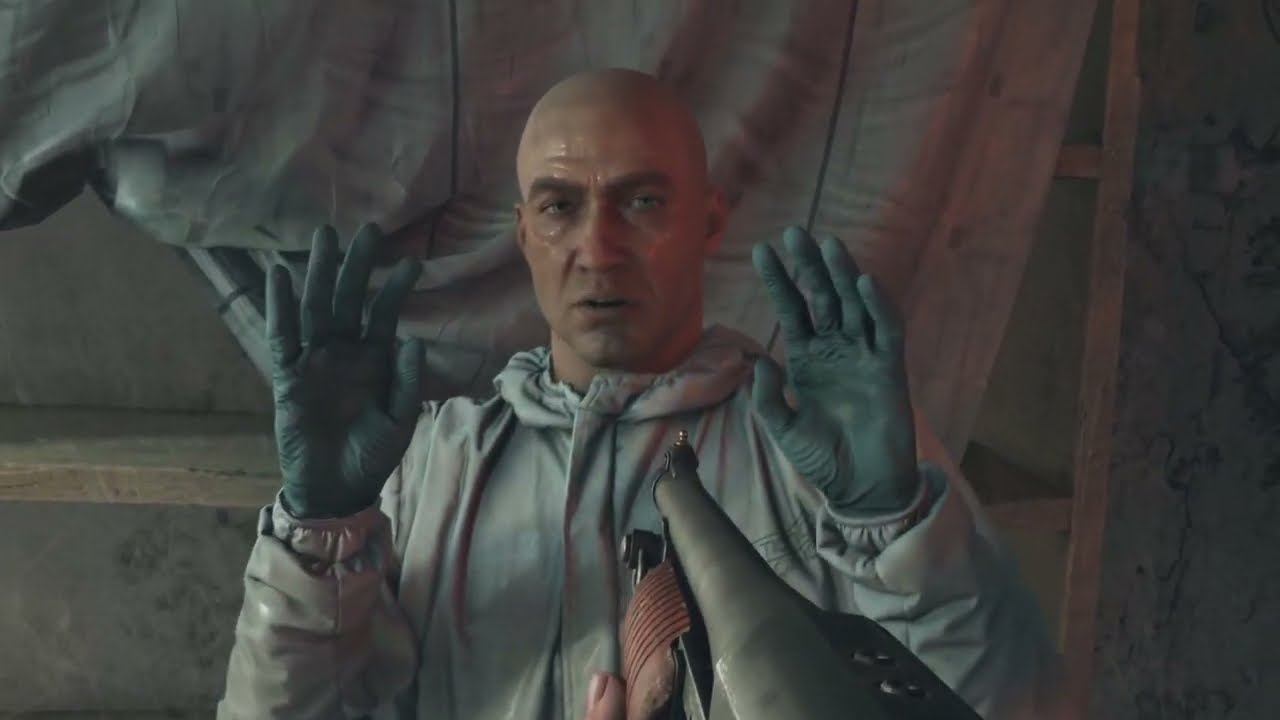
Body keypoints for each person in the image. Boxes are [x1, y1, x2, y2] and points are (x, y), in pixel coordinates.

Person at [217, 69, 1065, 720]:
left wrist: (896, 530)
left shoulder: (823, 453)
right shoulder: (431, 468)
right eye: (560, 206)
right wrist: (318, 536)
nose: (599, 248)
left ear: (709, 220)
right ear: (524, 233)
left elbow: (1001, 705)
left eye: (643, 201)